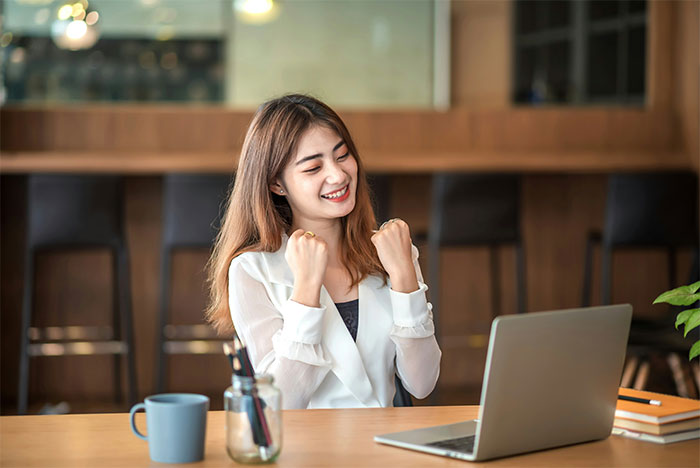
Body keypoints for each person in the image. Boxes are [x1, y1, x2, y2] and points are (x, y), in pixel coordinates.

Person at [206, 94, 441, 409]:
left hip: (383, 447)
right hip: (309, 451)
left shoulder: (390, 251)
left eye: (342, 156)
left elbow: (422, 383)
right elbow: (280, 403)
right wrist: (306, 291)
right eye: (314, 167)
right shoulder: (252, 270)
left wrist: (403, 276)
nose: (338, 175)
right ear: (277, 184)